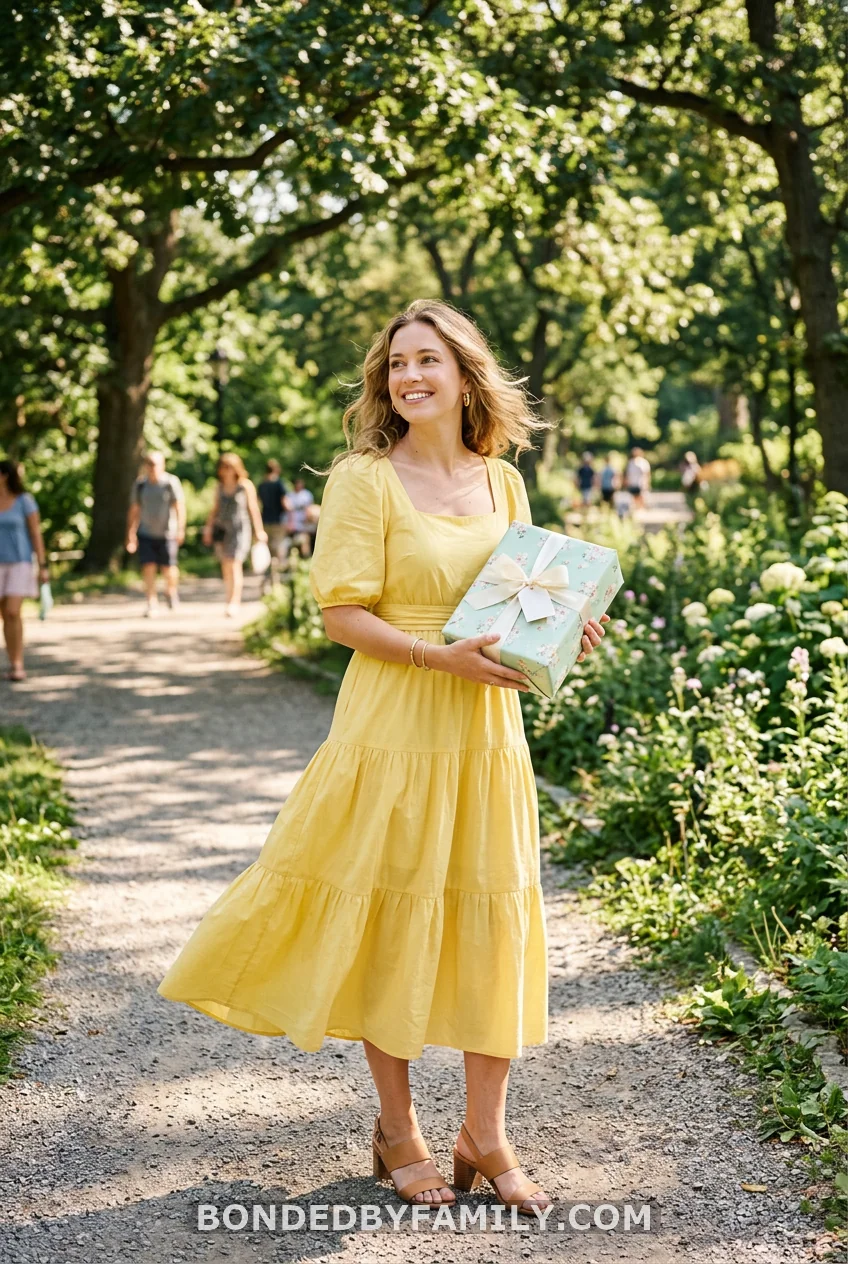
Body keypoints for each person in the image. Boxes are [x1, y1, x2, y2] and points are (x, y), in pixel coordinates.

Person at [159, 299, 611, 1213]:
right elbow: (339, 616)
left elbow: (517, 598)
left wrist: (564, 628)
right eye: (397, 363)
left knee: (492, 916)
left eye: (428, 361)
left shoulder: (503, 482)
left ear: (464, 375)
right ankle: (398, 1128)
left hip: (485, 736)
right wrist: (436, 655)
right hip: (395, 723)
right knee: (391, 912)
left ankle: (486, 1134)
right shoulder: (365, 479)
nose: (410, 377)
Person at [0, 459, 49, 682]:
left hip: (20, 563)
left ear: (5, 476)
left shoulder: (24, 501)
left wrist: (43, 565)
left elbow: (36, 533)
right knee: (3, 615)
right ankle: (11, 661)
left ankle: (17, 663)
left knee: (12, 612)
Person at [203, 453, 267, 616]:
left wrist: (259, 531)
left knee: (235, 563)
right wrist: (208, 528)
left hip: (240, 530)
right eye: (224, 467)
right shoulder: (219, 487)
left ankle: (234, 602)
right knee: (226, 565)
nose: (227, 470)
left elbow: (253, 509)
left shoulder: (245, 486)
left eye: (230, 467)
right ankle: (228, 597)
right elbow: (214, 510)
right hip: (223, 531)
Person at [126, 452, 186, 616]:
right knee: (148, 567)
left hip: (168, 533)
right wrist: (131, 534)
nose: (152, 467)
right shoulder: (140, 485)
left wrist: (180, 529)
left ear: (163, 465)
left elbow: (179, 507)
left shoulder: (170, 483)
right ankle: (152, 602)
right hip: (146, 533)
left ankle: (170, 591)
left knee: (169, 570)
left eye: (155, 464)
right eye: (149, 464)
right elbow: (134, 510)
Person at [256, 459, 289, 589]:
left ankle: (269, 580)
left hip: (265, 521)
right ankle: (276, 582)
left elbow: (258, 504)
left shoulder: (262, 485)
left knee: (269, 552)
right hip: (278, 521)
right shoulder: (279, 483)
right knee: (277, 552)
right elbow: (285, 503)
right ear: (276, 469)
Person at [284, 476, 317, 559]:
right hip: (292, 523)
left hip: (304, 523)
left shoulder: (306, 495)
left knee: (304, 540)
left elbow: (309, 509)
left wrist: (308, 520)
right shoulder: (289, 495)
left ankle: (305, 558)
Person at [624, 446, 652, 511]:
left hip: (641, 482)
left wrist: (647, 482)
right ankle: (637, 509)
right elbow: (628, 474)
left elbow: (647, 474)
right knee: (634, 497)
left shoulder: (643, 462)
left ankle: (641, 509)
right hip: (633, 482)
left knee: (641, 497)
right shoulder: (631, 463)